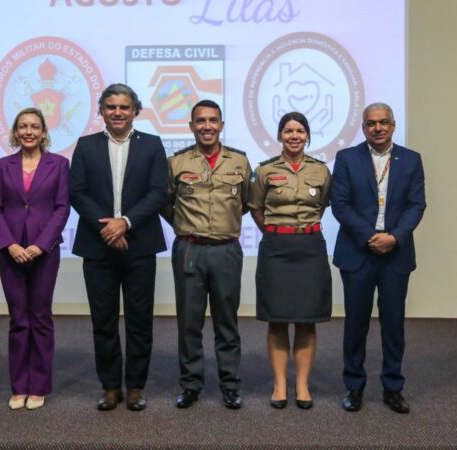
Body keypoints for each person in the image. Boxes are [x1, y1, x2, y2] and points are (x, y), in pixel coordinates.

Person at [70, 83, 168, 411]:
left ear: (135, 111)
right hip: (98, 248)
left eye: (124, 107)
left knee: (140, 320)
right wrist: (108, 227)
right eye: (111, 107)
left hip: (139, 246)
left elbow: (158, 192)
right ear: (101, 111)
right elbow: (77, 192)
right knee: (104, 321)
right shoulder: (85, 146)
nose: (117, 112)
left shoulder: (152, 145)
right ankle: (110, 387)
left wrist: (124, 221)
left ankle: (136, 386)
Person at [331, 103, 426, 414]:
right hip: (358, 252)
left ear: (393, 125)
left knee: (393, 325)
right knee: (356, 325)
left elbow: (416, 205)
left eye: (383, 122)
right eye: (371, 123)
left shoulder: (411, 160)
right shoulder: (347, 158)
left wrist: (394, 237)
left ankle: (393, 388)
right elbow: (340, 204)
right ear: (363, 128)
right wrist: (371, 236)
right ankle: (354, 387)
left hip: (395, 254)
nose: (378, 128)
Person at [161, 100, 251, 410]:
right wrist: (185, 227)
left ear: (222, 125)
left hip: (226, 250)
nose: (207, 126)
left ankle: (229, 384)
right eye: (200, 121)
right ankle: (191, 384)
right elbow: (164, 201)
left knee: (227, 321)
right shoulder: (177, 163)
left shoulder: (239, 162)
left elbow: (248, 202)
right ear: (191, 126)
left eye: (213, 120)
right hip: (190, 250)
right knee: (189, 322)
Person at [0, 108, 70, 411]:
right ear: (15, 132)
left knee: (41, 318)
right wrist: (9, 244)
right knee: (19, 320)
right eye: (23, 126)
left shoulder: (59, 165)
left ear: (44, 132)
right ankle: (19, 386)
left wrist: (40, 245)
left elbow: (62, 208)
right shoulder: (2, 165)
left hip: (44, 253)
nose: (29, 131)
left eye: (35, 126)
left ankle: (39, 386)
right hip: (10, 253)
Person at [248, 112, 331, 410]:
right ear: (279, 136)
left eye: (299, 131)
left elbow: (321, 207)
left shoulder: (321, 171)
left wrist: (299, 231)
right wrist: (278, 231)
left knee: (307, 320)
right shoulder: (265, 170)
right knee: (277, 318)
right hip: (276, 248)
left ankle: (302, 385)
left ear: (307, 135)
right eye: (288, 131)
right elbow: (256, 208)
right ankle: (280, 384)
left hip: (310, 247)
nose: (294, 136)